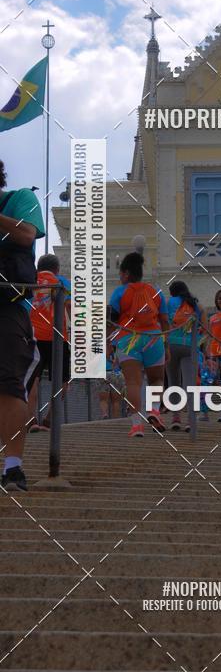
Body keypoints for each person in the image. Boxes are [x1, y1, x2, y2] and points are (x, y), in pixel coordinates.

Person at [0, 162, 45, 491]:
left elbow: (27, 233)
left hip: (6, 305)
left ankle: (12, 466)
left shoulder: (19, 199)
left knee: (7, 383)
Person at [109, 252, 169, 437]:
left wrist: (109, 344)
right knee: (157, 379)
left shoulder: (119, 292)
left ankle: (136, 426)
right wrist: (166, 346)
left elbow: (111, 321)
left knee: (133, 382)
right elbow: (165, 321)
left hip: (129, 339)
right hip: (153, 338)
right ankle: (154, 411)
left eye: (120, 274)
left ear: (126, 274)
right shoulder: (155, 290)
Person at [27, 254, 72, 432]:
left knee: (32, 379)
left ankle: (30, 420)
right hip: (57, 337)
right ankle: (48, 419)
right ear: (57, 269)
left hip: (33, 337)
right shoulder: (61, 281)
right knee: (61, 380)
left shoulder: (30, 280)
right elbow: (69, 307)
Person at [166, 280, 206, 430]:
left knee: (173, 382)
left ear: (172, 292)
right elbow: (205, 329)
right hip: (190, 346)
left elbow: (162, 323)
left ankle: (176, 418)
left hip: (170, 346)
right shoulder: (196, 304)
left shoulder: (168, 303)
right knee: (189, 384)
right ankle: (191, 420)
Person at [94, 321, 126, 420]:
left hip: (102, 372)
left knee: (103, 399)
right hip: (117, 373)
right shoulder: (120, 340)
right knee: (116, 401)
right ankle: (115, 419)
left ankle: (105, 414)